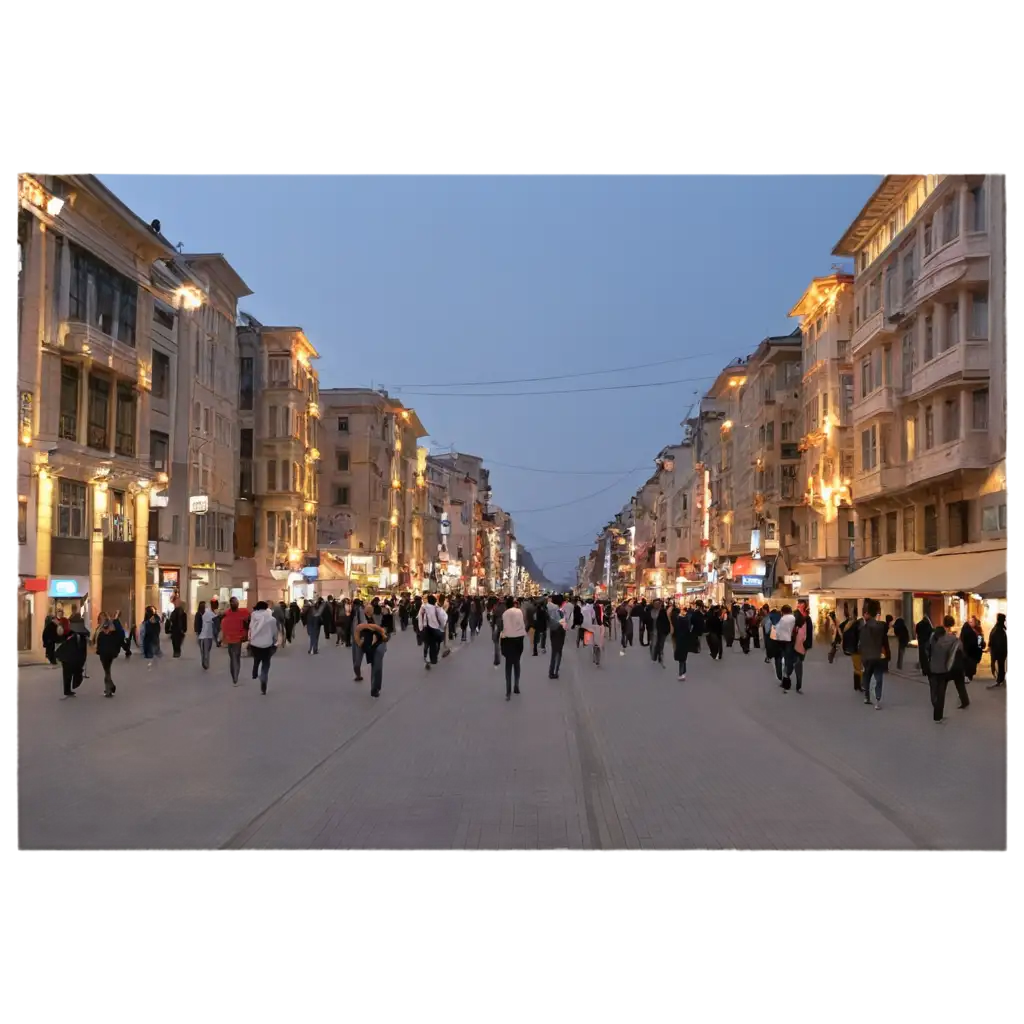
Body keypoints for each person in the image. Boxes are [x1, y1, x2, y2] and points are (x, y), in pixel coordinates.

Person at [928, 615, 970, 721]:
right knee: (941, 692)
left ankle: (935, 704)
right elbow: (961, 649)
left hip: (932, 668)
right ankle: (938, 715)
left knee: (934, 690)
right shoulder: (952, 639)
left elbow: (927, 649)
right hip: (943, 669)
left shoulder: (932, 637)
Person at [858, 599, 890, 710]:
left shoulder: (861, 626)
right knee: (878, 677)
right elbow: (885, 641)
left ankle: (867, 696)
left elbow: (859, 643)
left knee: (867, 676)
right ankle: (877, 699)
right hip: (878, 656)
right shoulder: (880, 626)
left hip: (866, 657)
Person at [247, 601, 279, 695]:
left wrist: (250, 638)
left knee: (257, 658)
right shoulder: (271, 619)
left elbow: (250, 629)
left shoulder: (253, 616)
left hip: (255, 643)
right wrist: (275, 640)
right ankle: (263, 677)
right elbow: (274, 632)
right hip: (267, 644)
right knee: (266, 662)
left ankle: (255, 670)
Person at [500, 595, 527, 700]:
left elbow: (503, 627)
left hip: (508, 639)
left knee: (508, 665)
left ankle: (508, 690)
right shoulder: (519, 612)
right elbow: (522, 624)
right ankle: (516, 685)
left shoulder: (505, 614)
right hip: (519, 639)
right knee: (517, 663)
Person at [354, 618, 389, 698]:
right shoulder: (359, 630)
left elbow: (382, 632)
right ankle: (374, 687)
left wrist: (384, 636)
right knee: (374, 664)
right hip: (368, 646)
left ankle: (375, 689)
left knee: (377, 666)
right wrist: (360, 644)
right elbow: (356, 637)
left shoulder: (372, 627)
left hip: (379, 644)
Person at [55, 617, 87, 698]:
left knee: (66, 673)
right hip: (70, 656)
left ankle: (67, 690)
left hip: (64, 656)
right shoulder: (71, 633)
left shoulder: (61, 631)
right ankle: (68, 689)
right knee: (70, 672)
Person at [220, 597, 250, 686]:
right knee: (236, 658)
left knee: (233, 658)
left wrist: (223, 638)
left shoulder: (227, 613)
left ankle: (234, 676)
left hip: (230, 639)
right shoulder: (243, 612)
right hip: (237, 639)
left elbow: (222, 625)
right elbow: (249, 618)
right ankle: (235, 676)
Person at [95, 617, 123, 698]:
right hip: (105, 655)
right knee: (107, 672)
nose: (105, 630)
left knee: (107, 672)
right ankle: (110, 687)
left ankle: (109, 690)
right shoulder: (110, 635)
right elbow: (99, 646)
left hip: (107, 656)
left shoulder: (108, 635)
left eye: (106, 628)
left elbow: (99, 646)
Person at [419, 595, 447, 670]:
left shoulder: (423, 608)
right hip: (435, 629)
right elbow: (443, 618)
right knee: (435, 644)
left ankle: (426, 658)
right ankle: (433, 659)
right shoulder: (437, 609)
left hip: (425, 629)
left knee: (427, 643)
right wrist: (442, 626)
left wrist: (420, 628)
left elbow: (419, 618)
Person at [773, 605, 796, 688]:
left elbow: (776, 631)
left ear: (783, 612)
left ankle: (784, 680)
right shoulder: (793, 618)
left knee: (782, 661)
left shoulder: (782, 619)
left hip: (782, 642)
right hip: (791, 642)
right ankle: (787, 676)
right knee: (789, 660)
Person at [547, 594, 567, 679]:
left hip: (554, 631)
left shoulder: (552, 608)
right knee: (557, 652)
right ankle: (554, 672)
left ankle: (553, 671)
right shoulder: (557, 610)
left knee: (555, 652)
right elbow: (560, 622)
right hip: (558, 631)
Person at [670, 603, 692, 681]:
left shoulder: (678, 620)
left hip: (680, 640)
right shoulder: (686, 619)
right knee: (683, 658)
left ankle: (682, 673)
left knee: (681, 658)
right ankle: (683, 672)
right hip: (684, 640)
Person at [988, 613, 1008, 688]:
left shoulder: (998, 628)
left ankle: (999, 679)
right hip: (1000, 651)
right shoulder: (1002, 629)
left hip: (998, 651)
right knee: (1000, 665)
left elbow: (993, 638)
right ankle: (1000, 679)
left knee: (999, 665)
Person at [960, 617, 983, 682]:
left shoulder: (976, 630)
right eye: (970, 622)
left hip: (972, 651)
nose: (971, 623)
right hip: (970, 652)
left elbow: (979, 640)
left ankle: (968, 676)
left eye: (972, 622)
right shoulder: (968, 630)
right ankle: (967, 676)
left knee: (971, 665)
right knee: (970, 665)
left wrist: (981, 645)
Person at [196, 600, 216, 671]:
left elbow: (215, 619)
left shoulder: (208, 613)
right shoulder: (199, 614)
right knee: (205, 650)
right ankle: (205, 663)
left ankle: (205, 662)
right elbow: (196, 625)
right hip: (203, 636)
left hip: (208, 635)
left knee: (206, 650)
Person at [649, 599, 670, 667]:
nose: (656, 605)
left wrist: (667, 630)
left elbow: (667, 622)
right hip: (654, 630)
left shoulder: (663, 612)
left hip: (661, 631)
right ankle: (654, 657)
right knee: (653, 644)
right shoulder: (651, 611)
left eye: (658, 603)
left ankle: (660, 658)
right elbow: (648, 620)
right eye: (655, 604)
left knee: (660, 645)